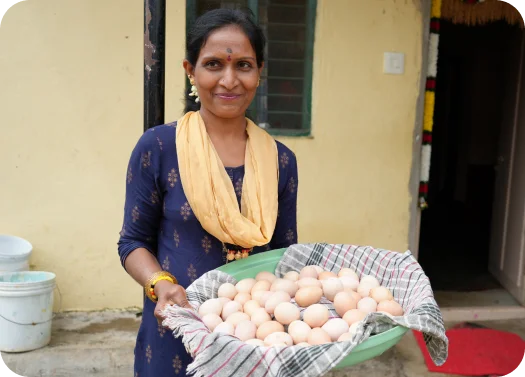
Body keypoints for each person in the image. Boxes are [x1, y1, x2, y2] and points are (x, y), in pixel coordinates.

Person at [117, 8, 299, 376]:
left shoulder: (280, 160)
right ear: (191, 71)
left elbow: (284, 255)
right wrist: (160, 284)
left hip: (252, 338)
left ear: (259, 72)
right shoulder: (159, 147)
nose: (229, 80)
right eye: (214, 64)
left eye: (243, 66)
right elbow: (132, 242)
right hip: (176, 331)